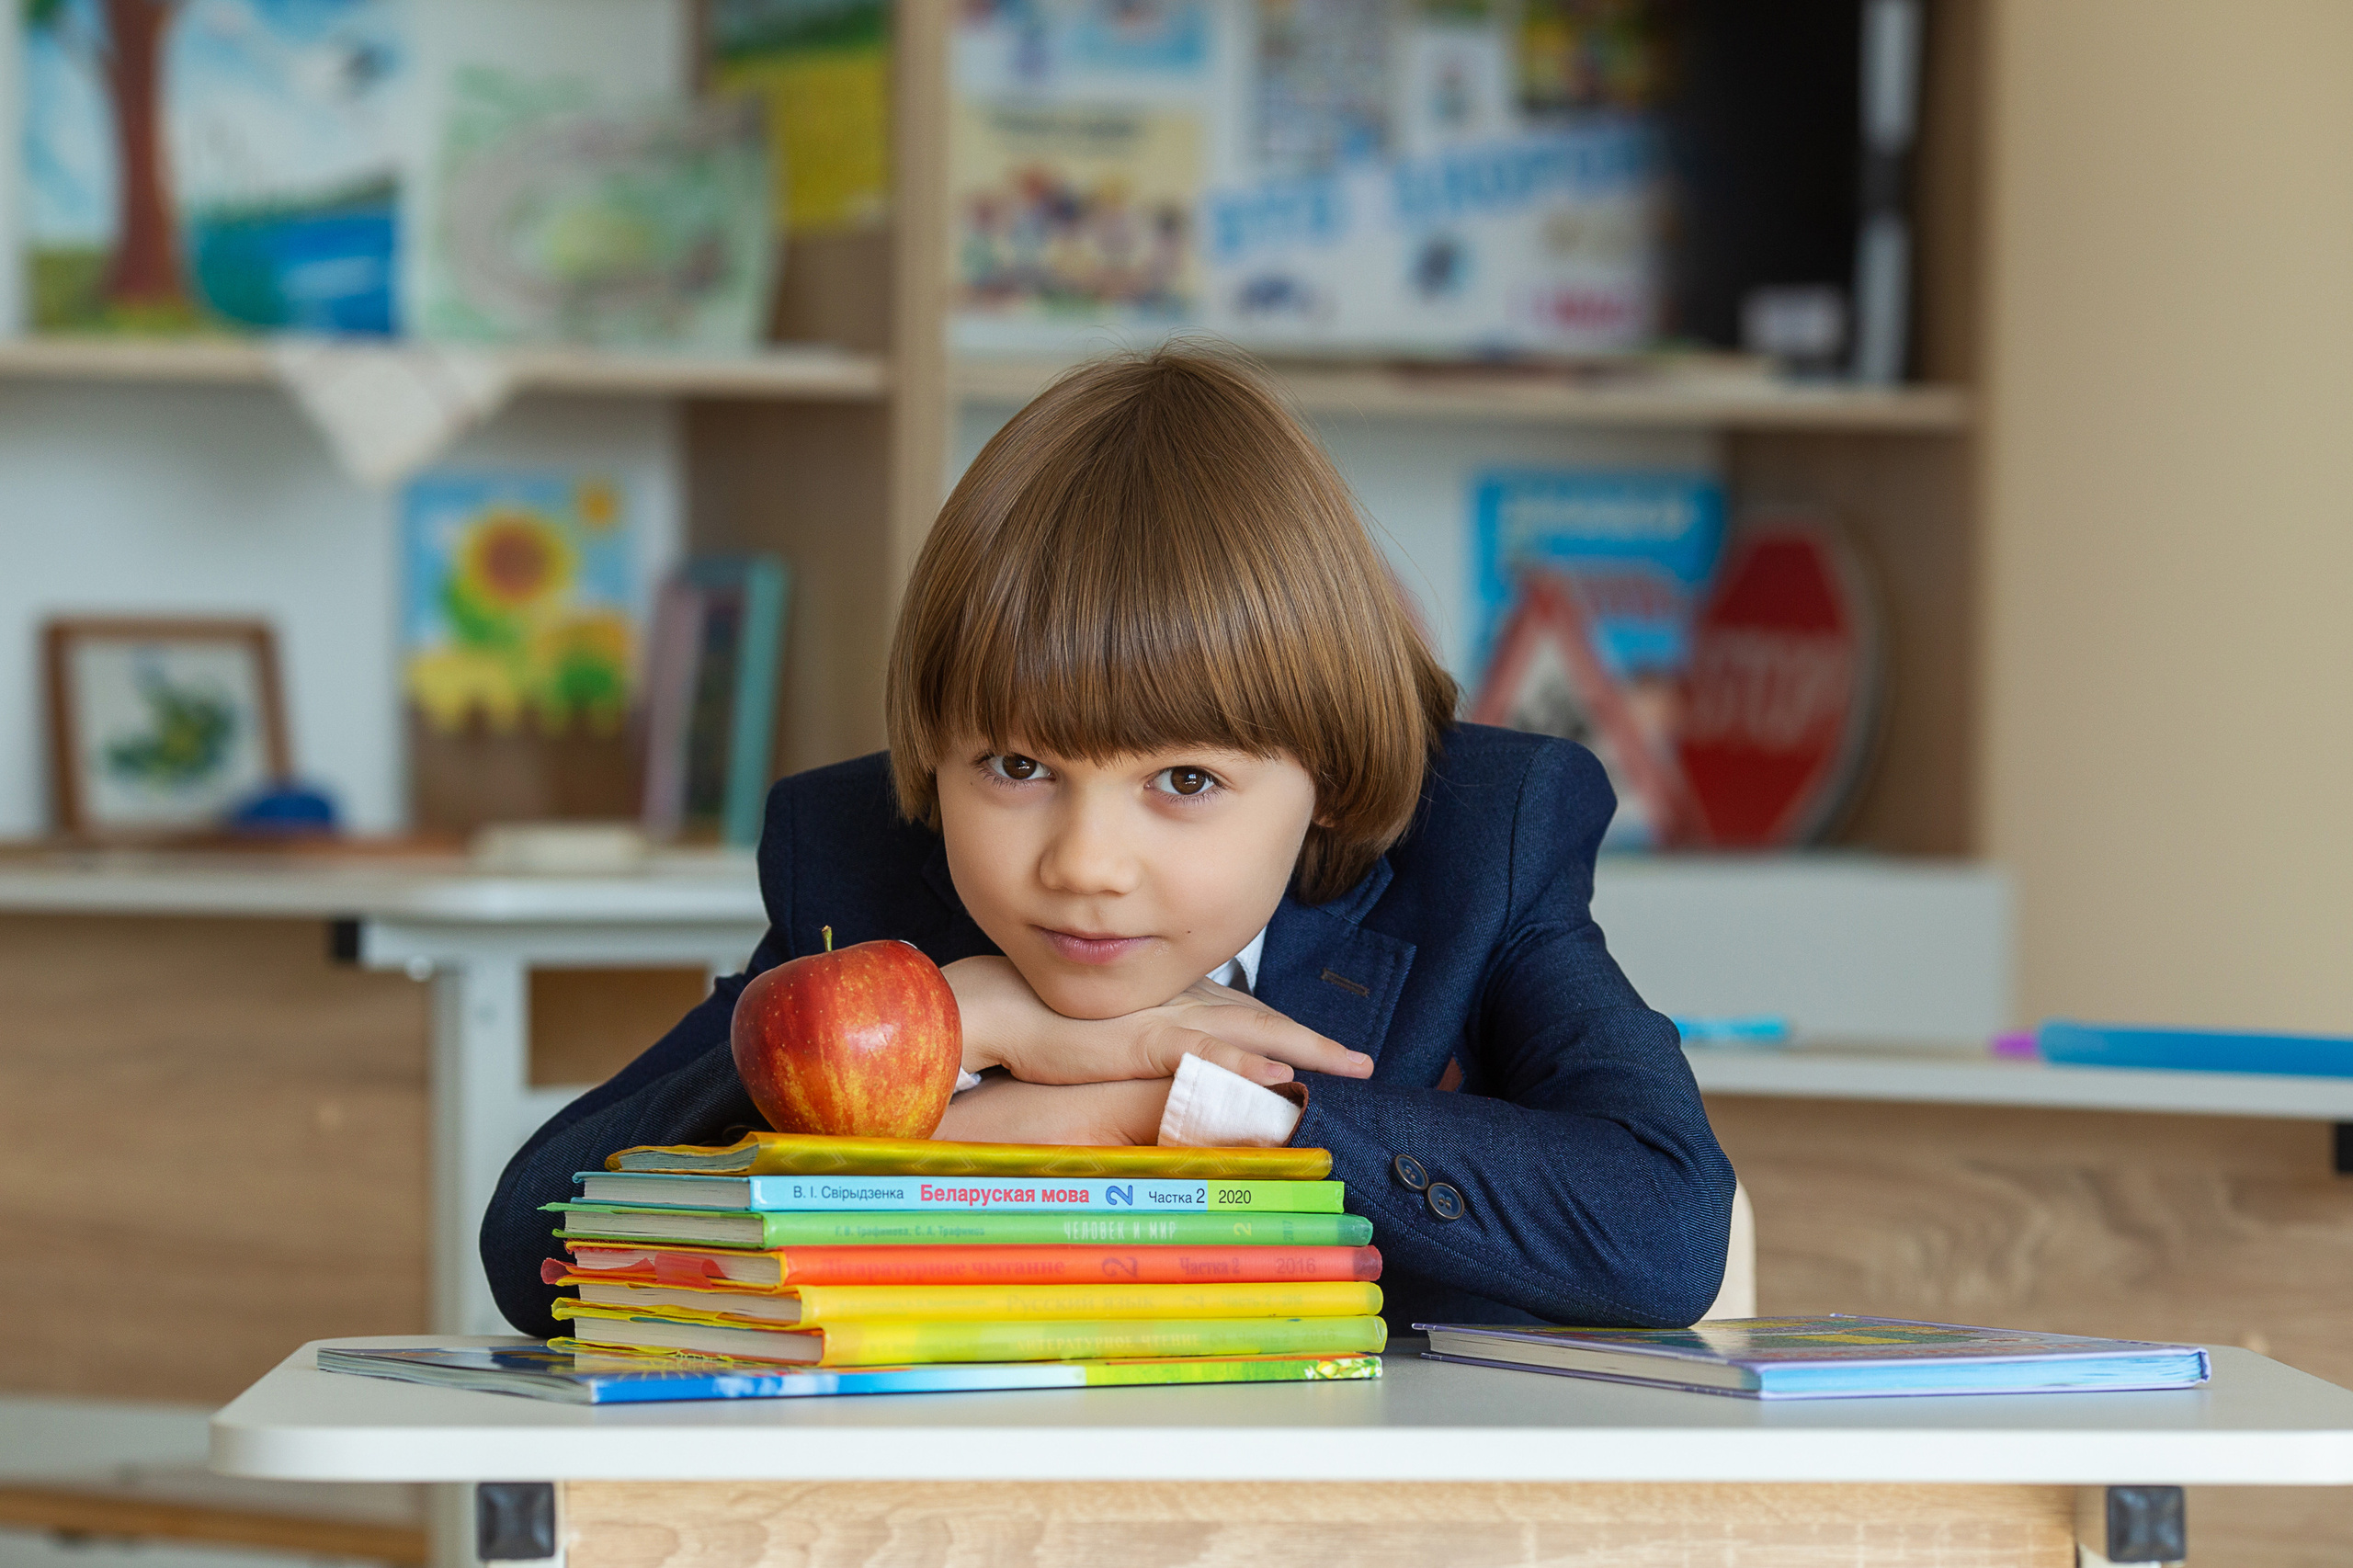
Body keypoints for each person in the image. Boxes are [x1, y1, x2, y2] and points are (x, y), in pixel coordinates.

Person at [482, 346, 1734, 1339]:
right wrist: (949, 1026)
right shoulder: (858, 859)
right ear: (935, 748)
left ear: (1332, 775)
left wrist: (1209, 1108)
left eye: (1184, 779)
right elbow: (533, 1251)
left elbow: (1671, 1231)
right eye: (1017, 766)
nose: (1084, 860)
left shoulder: (1482, 845)